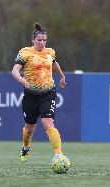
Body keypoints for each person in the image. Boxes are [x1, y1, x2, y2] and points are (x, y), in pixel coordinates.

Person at [12, 23, 67, 163]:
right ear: (33, 40)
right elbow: (15, 70)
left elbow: (54, 63)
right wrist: (22, 80)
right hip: (31, 95)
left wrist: (61, 76)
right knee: (29, 128)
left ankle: (58, 155)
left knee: (48, 123)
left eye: (44, 40)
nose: (42, 43)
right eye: (39, 40)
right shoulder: (25, 52)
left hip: (48, 93)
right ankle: (25, 148)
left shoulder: (50, 52)